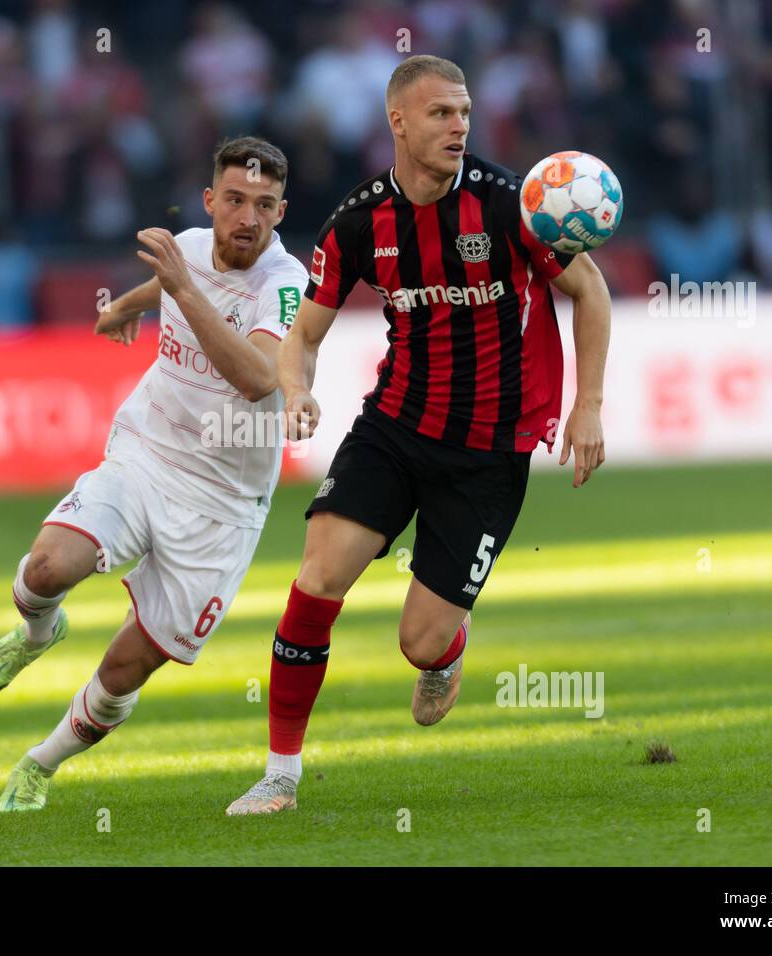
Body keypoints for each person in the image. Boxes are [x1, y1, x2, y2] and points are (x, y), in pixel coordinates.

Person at [226, 55, 613, 815]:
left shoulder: (510, 205)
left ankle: (448, 649)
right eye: (440, 113)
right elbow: (302, 335)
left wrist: (589, 404)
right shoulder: (359, 223)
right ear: (397, 122)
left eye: (464, 112)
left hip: (490, 451)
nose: (459, 126)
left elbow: (590, 289)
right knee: (318, 579)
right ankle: (280, 774)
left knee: (420, 641)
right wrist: (297, 388)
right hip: (396, 427)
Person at [0, 137, 307, 812]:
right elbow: (174, 282)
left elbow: (258, 376)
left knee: (125, 669)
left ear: (280, 211)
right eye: (234, 200)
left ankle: (40, 762)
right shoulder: (187, 246)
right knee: (45, 570)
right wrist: (129, 304)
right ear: (211, 202)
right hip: (147, 453)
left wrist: (177, 287)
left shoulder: (285, 283)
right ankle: (37, 632)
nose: (247, 217)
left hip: (224, 505)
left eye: (264, 205)